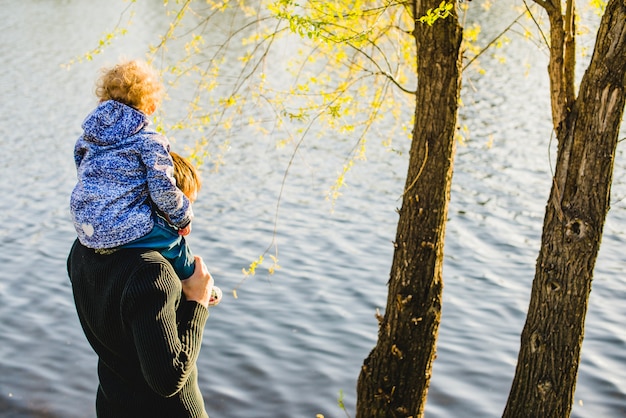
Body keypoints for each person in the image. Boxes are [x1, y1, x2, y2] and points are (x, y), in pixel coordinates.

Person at [70, 59, 199, 280]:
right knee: (174, 239)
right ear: (151, 108)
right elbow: (162, 189)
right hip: (123, 227)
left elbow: (82, 168)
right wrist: (183, 217)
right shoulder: (149, 141)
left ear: (102, 100)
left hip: (85, 228)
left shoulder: (88, 138)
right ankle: (193, 283)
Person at [67, 239, 215, 417]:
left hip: (111, 404)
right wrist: (198, 302)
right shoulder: (152, 271)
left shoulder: (83, 249)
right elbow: (170, 378)